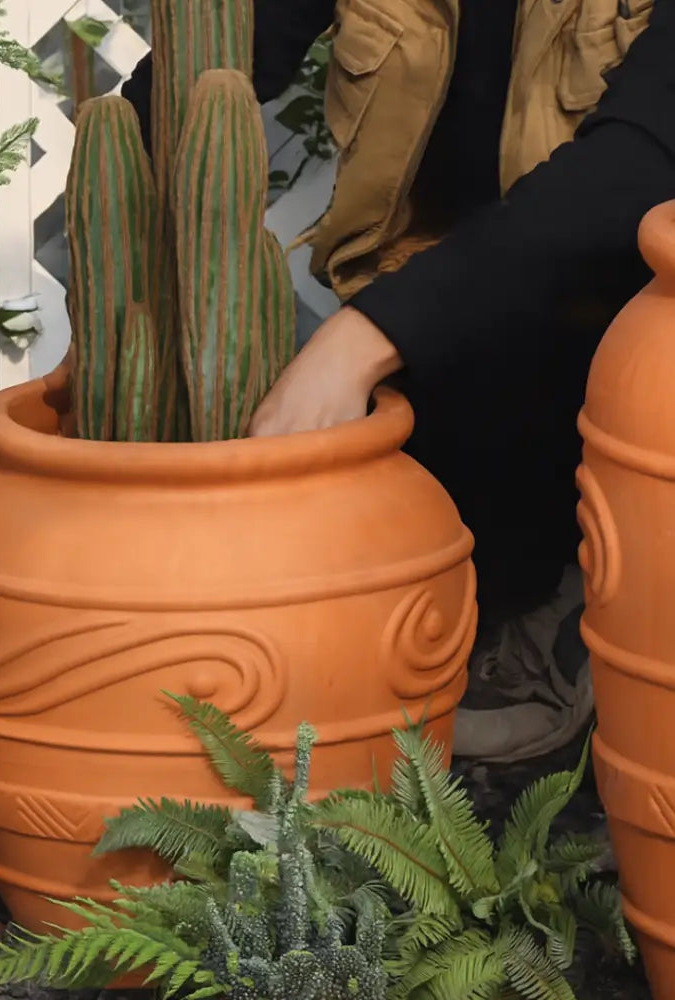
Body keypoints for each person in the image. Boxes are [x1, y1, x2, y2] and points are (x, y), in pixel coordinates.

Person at [122, 0, 675, 762]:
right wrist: (118, 287)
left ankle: (559, 603)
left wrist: (364, 340)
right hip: (438, 317)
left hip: (609, 331)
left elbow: (635, 172)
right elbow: (216, 54)